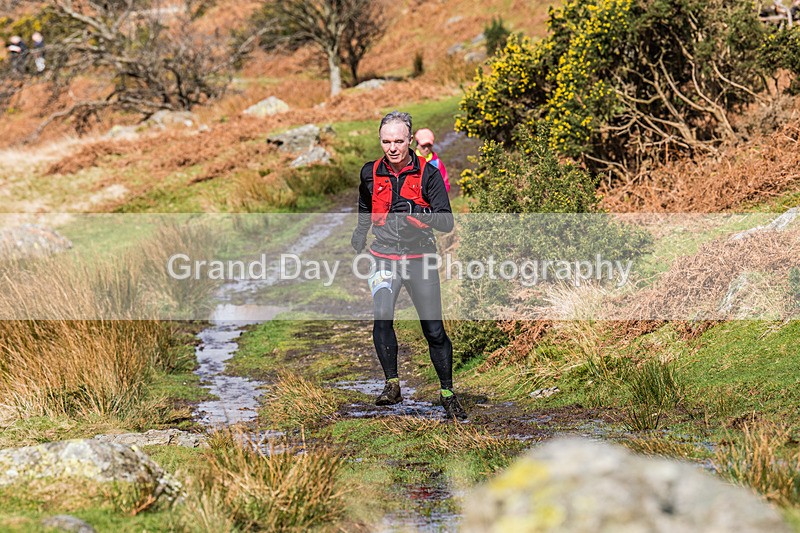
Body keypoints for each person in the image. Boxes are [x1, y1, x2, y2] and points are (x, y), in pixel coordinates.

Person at [351, 111, 467, 421]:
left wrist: (417, 209)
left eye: (399, 141)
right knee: (382, 317)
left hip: (420, 258)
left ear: (410, 140)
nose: (392, 148)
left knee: (434, 330)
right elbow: (365, 202)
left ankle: (447, 392)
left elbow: (446, 222)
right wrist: (361, 231)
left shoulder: (428, 174)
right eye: (386, 141)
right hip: (384, 257)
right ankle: (392, 384)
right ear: (380, 141)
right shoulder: (369, 172)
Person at [414, 128, 450, 193]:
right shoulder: (411, 161)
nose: (426, 149)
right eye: (423, 146)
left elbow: (445, 183)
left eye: (429, 146)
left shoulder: (437, 163)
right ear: (417, 145)